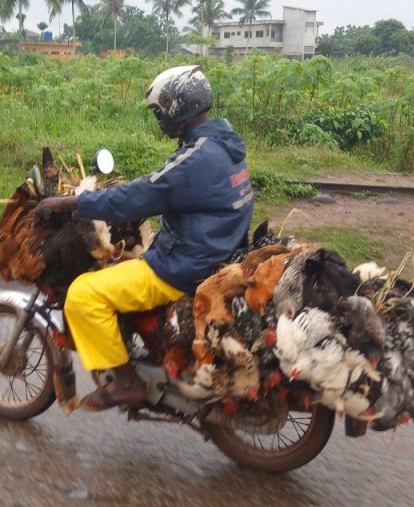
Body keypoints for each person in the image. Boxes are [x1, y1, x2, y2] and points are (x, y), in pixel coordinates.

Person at [33, 65, 254, 411]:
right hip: (213, 253)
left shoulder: (196, 159)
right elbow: (160, 187)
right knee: (122, 265)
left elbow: (144, 193)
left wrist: (68, 202)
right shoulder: (223, 146)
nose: (158, 119)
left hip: (181, 267)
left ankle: (126, 382)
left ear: (177, 107)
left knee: (82, 294)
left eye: (159, 111)